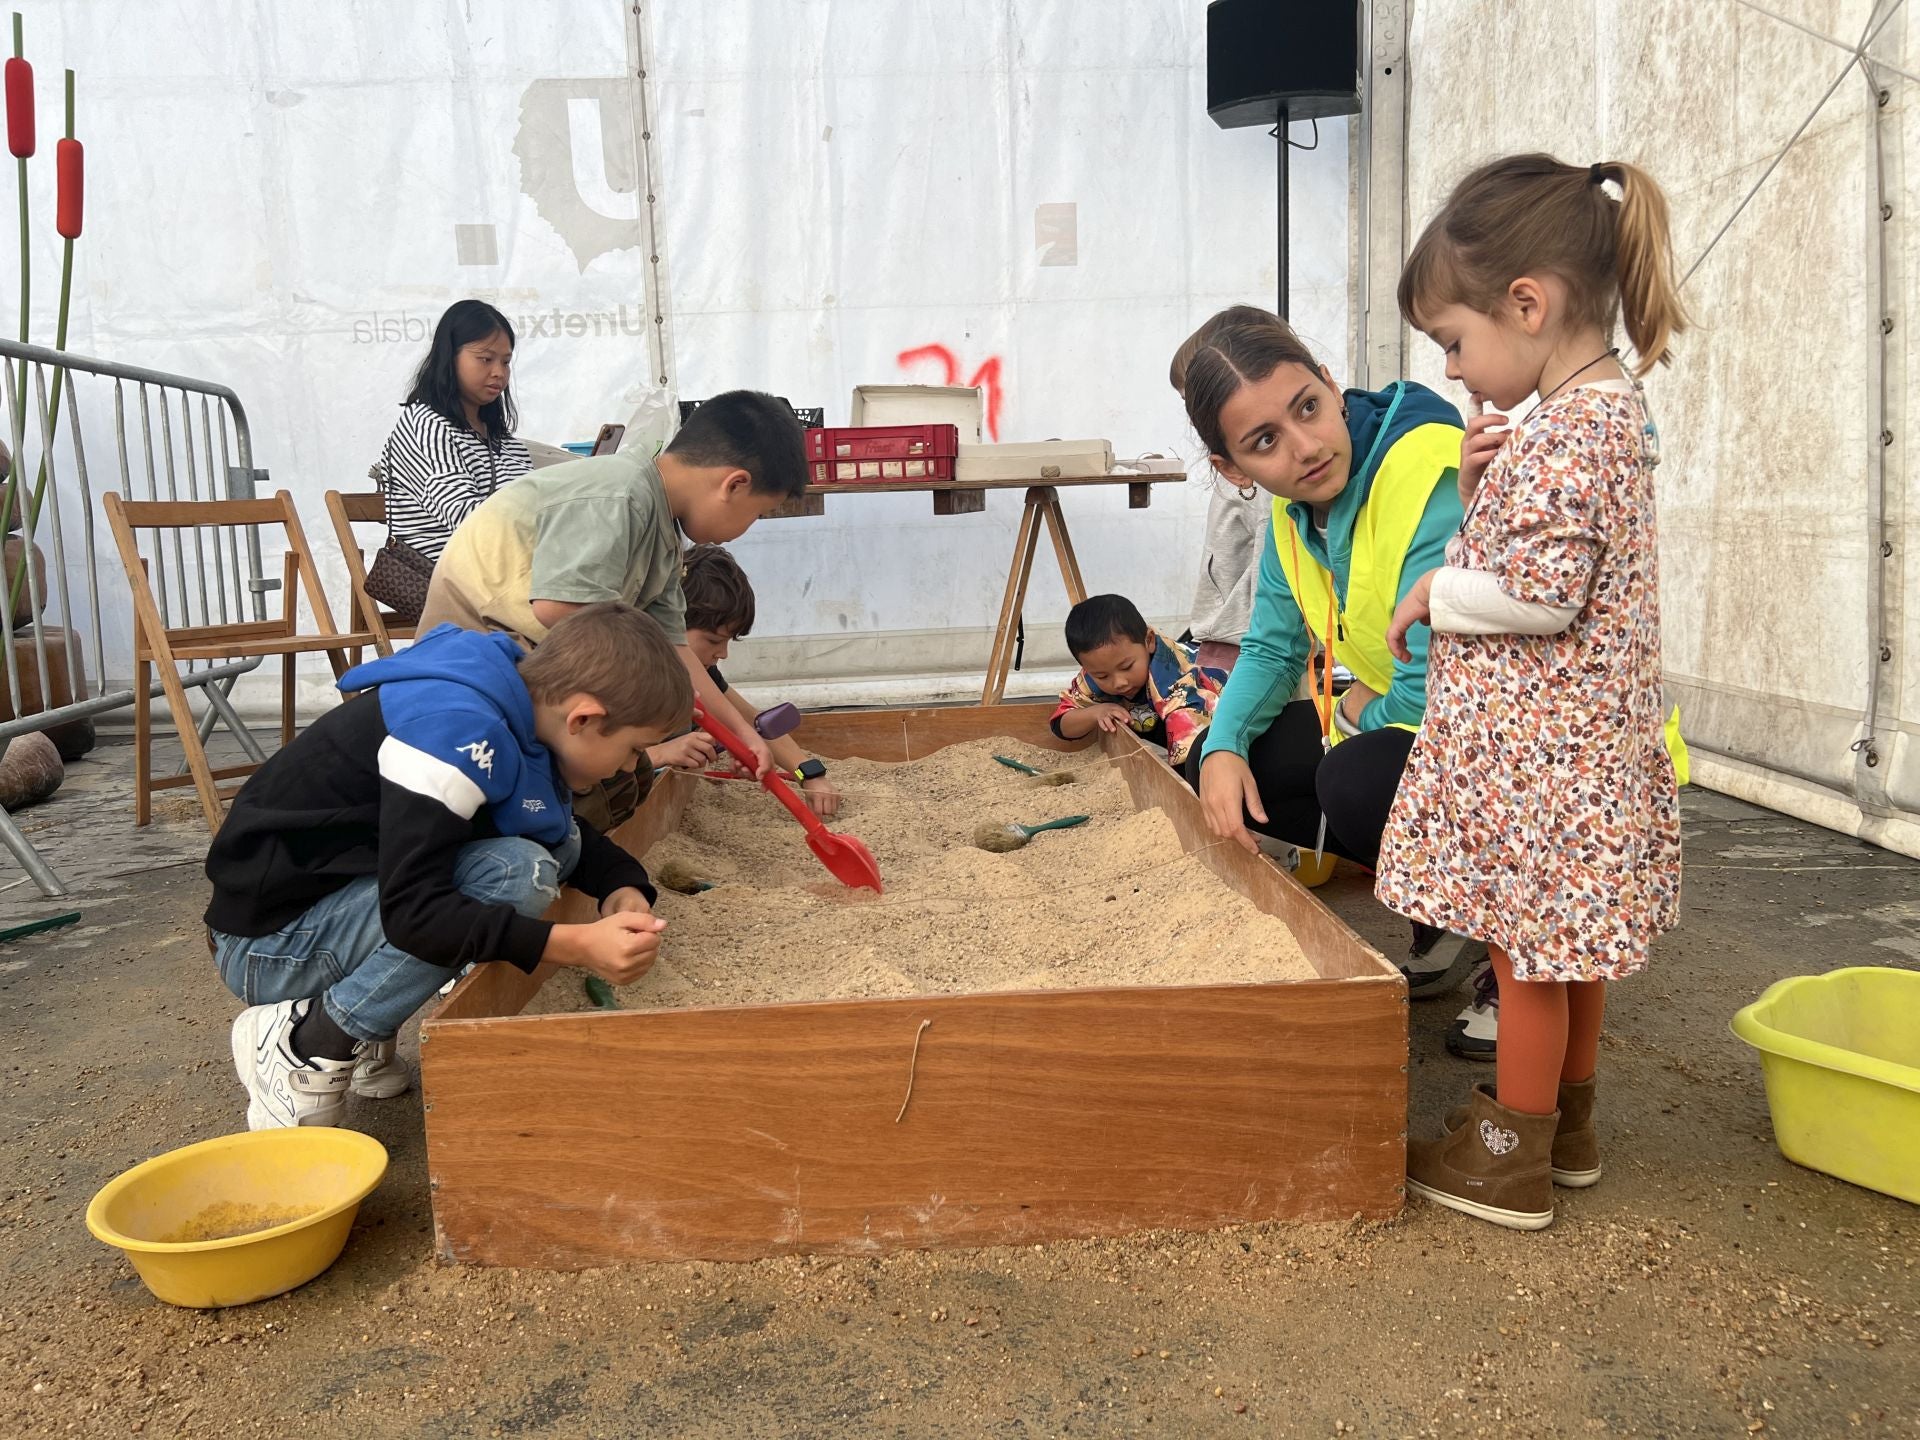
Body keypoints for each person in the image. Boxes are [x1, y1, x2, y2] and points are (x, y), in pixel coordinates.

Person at [1378, 153, 1688, 1230]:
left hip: (1545, 764)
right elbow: (1561, 560)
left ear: (1529, 302)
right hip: (1577, 756)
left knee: (1526, 957)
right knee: (1571, 951)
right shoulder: (1601, 415)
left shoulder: (1571, 431)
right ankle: (1569, 1129)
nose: (1456, 370)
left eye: (1456, 342)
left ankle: (1507, 1156)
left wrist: (1438, 591)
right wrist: (1478, 490)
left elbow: (1545, 596)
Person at [204, 604, 688, 1129]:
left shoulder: (522, 707)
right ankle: (307, 1042)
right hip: (268, 945)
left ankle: (354, 1024)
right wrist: (576, 946)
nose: (630, 766)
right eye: (631, 749)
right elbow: (416, 914)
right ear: (585, 718)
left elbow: (560, 832)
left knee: (528, 852)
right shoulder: (454, 732)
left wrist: (623, 887)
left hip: (335, 901)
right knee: (514, 873)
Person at [1181, 307, 1481, 995]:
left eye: (1308, 408)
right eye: (1265, 440)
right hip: (1410, 720)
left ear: (1329, 383)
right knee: (1223, 760)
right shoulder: (1293, 517)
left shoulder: (1419, 470)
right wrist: (1223, 746)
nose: (1305, 446)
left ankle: (1502, 940)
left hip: (1493, 734)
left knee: (1355, 782)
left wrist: (1354, 716)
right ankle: (1447, 910)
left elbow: (1436, 683)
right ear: (1232, 469)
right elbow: (1271, 647)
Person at [418, 389, 808, 828]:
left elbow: (674, 647)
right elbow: (559, 608)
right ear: (733, 484)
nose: (746, 529)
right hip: (473, 662)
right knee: (619, 745)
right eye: (757, 514)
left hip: (532, 658)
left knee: (630, 761)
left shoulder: (660, 523)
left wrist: (742, 733)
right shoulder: (619, 494)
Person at [647, 542, 842, 818]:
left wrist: (808, 774)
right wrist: (663, 752)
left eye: (727, 641)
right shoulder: (633, 679)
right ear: (672, 624)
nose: (723, 653)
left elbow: (755, 723)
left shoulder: (706, 674)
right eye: (714, 640)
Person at [377, 299, 532, 561]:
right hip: (447, 582)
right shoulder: (425, 425)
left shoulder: (502, 440)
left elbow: (532, 508)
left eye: (505, 362)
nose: (498, 372)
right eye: (485, 359)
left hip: (504, 572)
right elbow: (467, 518)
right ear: (450, 356)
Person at [1169, 308, 1273, 674]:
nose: (1196, 417)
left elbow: (1267, 572)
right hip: (1221, 636)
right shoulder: (1233, 462)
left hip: (1246, 643)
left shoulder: (1267, 481)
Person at [1050, 593, 1225, 773]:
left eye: (1127, 667)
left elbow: (1193, 758)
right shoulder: (1099, 669)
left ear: (1148, 641)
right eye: (1102, 676)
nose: (1119, 682)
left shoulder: (1176, 680)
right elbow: (1060, 725)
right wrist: (1094, 712)